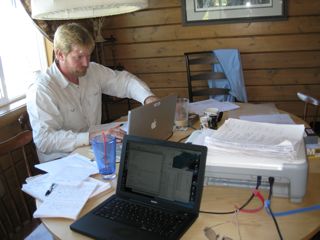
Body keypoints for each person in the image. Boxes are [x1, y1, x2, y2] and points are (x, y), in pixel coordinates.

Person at [26, 23, 158, 162]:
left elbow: (124, 82)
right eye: (79, 57)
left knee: (140, 158)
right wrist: (92, 137)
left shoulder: (92, 71)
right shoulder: (41, 89)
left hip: (94, 152)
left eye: (88, 56)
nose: (86, 63)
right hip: (62, 161)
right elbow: (45, 140)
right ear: (60, 54)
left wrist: (148, 98)